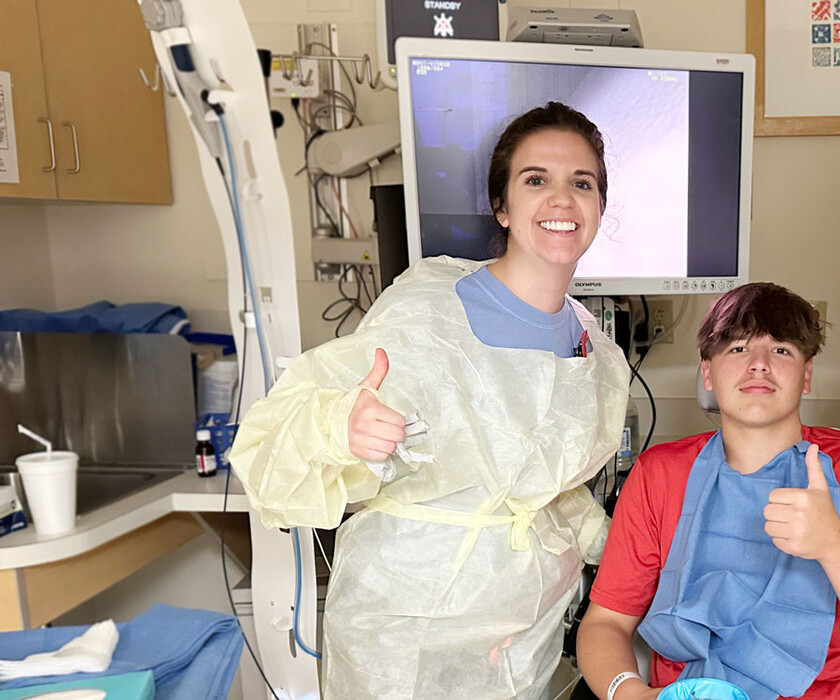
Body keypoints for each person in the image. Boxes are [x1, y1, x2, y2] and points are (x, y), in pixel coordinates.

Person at [228, 102, 632, 699]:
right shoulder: (431, 312)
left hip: (523, 635)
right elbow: (266, 447)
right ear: (502, 205)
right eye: (536, 180)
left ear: (600, 206)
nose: (562, 200)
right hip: (406, 627)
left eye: (582, 183)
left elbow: (547, 491)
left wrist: (633, 550)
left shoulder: (596, 352)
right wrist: (340, 426)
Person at [577, 283, 840, 700]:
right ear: (707, 372)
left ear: (807, 375)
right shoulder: (660, 473)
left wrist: (836, 545)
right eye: (738, 349)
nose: (759, 365)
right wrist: (632, 693)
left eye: (781, 350)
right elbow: (606, 623)